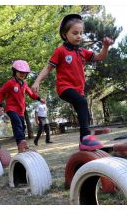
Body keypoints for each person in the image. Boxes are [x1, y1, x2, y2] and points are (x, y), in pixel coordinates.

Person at [31, 14, 114, 151]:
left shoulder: (83, 52)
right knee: (82, 103)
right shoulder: (60, 51)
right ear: (65, 34)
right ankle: (87, 137)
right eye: (75, 33)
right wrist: (37, 81)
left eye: (81, 33)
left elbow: (100, 57)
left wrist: (105, 46)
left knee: (84, 114)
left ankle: (83, 142)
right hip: (64, 88)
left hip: (78, 90)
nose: (79, 36)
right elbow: (48, 68)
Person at [0, 60, 45, 153]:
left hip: (21, 110)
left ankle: (21, 148)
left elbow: (31, 94)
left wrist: (39, 98)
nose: (22, 74)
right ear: (15, 72)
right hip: (11, 108)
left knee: (22, 127)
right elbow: (1, 92)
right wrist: (0, 104)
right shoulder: (10, 83)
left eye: (24, 73)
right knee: (17, 123)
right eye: (20, 72)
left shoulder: (24, 84)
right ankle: (21, 143)